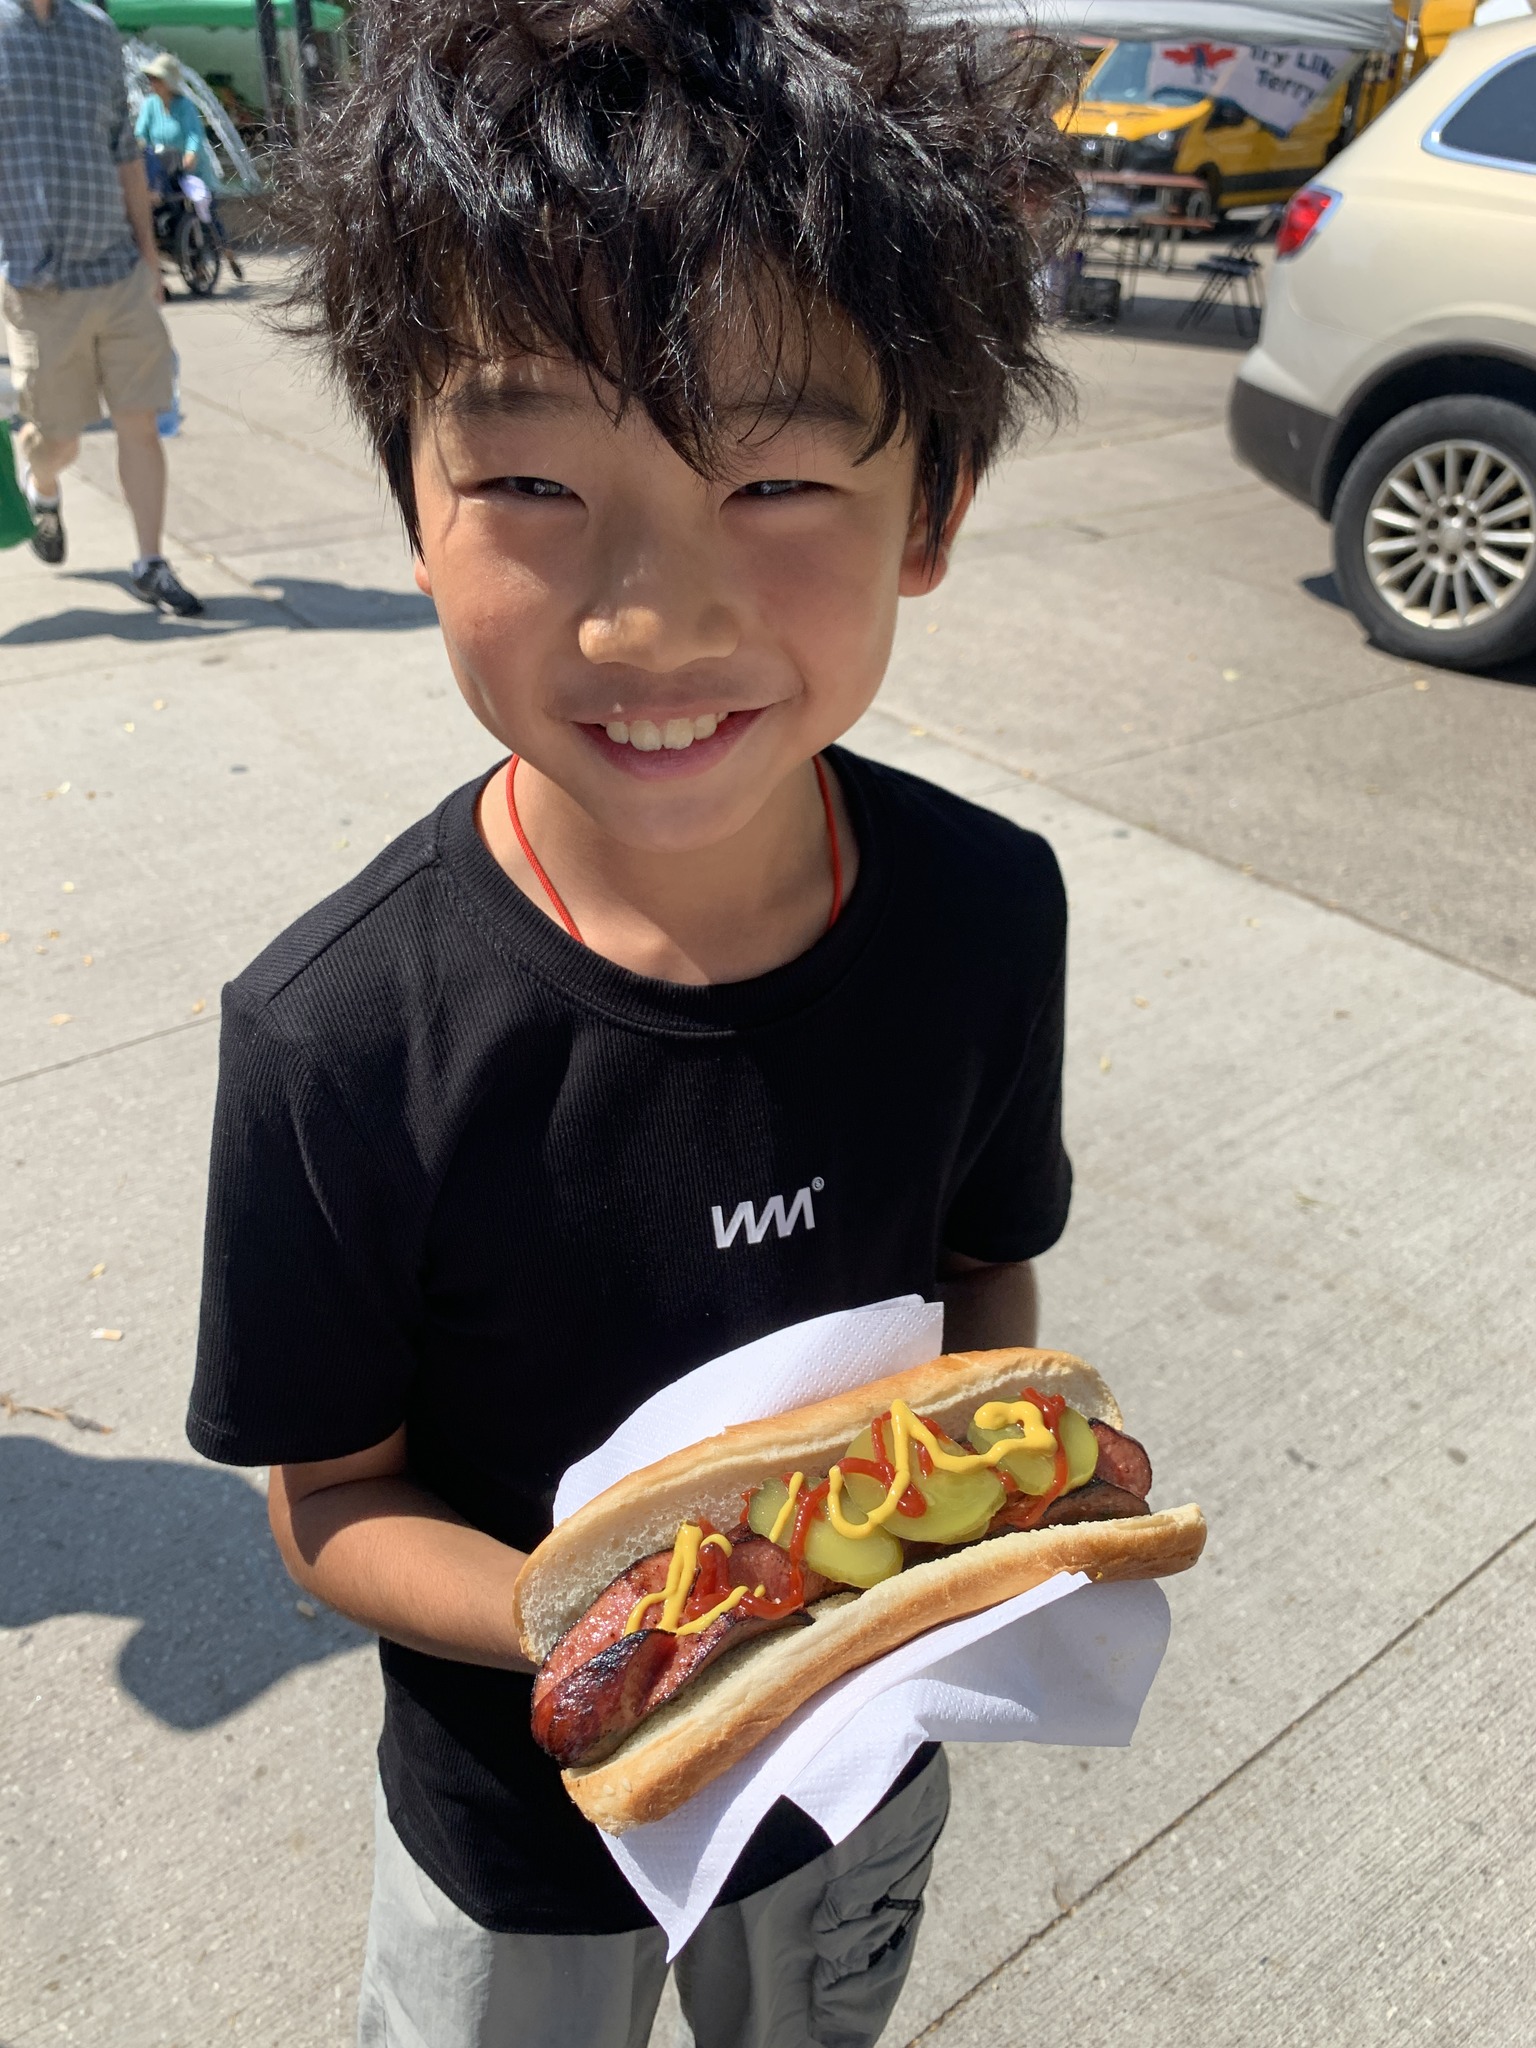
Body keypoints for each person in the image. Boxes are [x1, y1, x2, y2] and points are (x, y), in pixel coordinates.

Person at [185, 1, 1079, 2042]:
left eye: (774, 474)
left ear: (927, 508)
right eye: (525, 476)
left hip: (846, 1789)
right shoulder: (339, 1036)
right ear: (414, 511)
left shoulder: (982, 912)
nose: (650, 616)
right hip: (521, 1823)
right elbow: (329, 1499)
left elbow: (980, 1264)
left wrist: (968, 1490)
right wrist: (602, 1622)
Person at [0, 0, 203, 614]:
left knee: (140, 419)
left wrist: (149, 256)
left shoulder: (96, 30)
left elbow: (124, 150)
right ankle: (45, 486)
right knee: (57, 437)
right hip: (36, 282)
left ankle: (150, 561)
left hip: (116, 270)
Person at [134, 51, 220, 192]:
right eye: (151, 78)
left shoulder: (184, 105)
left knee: (200, 209)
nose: (152, 82)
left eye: (157, 78)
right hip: (164, 172)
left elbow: (194, 133)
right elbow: (141, 133)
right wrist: (140, 148)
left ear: (168, 81)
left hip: (192, 174)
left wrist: (191, 153)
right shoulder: (149, 104)